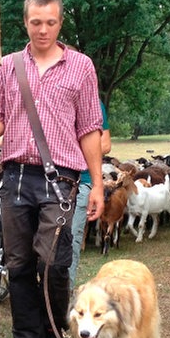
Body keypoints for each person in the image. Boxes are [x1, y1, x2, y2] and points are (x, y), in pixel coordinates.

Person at [0, 0, 105, 338]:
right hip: (15, 179)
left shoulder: (81, 67)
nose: (42, 30)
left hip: (60, 180)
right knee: (19, 265)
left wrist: (95, 184)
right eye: (34, 22)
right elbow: (1, 126)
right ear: (25, 23)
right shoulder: (7, 67)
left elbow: (89, 130)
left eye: (50, 22)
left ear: (60, 23)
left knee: (55, 262)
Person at [69, 102, 111, 290]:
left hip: (81, 180)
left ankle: (65, 292)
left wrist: (75, 151)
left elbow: (105, 144)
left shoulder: (93, 103)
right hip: (51, 179)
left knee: (72, 236)